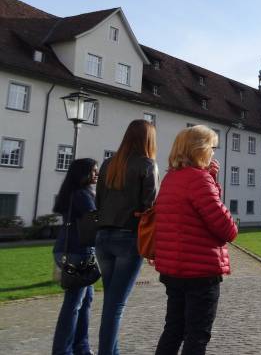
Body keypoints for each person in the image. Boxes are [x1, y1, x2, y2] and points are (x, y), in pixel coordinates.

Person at [154, 125, 238, 355]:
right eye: (211, 147)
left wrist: (210, 179)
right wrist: (211, 181)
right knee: (197, 336)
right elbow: (226, 228)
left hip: (174, 269)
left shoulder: (171, 179)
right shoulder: (199, 180)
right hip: (200, 272)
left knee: (173, 330)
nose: (213, 153)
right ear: (200, 150)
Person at [95, 119, 158, 355]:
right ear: (148, 140)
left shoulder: (108, 164)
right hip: (128, 237)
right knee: (116, 304)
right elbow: (150, 206)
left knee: (111, 301)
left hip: (102, 237)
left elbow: (98, 200)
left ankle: (112, 351)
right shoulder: (147, 164)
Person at [52, 158, 99, 355]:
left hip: (67, 249)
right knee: (74, 304)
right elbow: (95, 218)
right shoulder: (82, 194)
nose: (97, 174)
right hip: (77, 252)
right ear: (84, 174)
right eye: (94, 171)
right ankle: (64, 350)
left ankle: (81, 347)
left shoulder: (71, 193)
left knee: (85, 300)